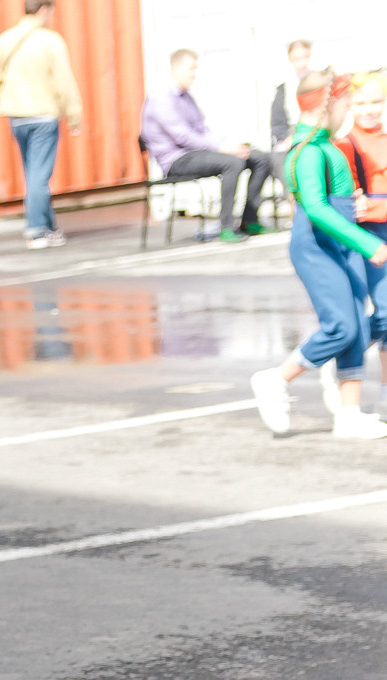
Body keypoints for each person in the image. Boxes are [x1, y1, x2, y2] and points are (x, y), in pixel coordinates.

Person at [250, 72, 387, 441]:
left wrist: (355, 206)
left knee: (358, 328)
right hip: (317, 249)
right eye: (345, 104)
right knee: (342, 327)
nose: (348, 112)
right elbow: (315, 208)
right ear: (330, 105)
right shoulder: (307, 151)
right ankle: (275, 379)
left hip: (341, 245)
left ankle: (349, 415)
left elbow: (336, 200)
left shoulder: (326, 146)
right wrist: (368, 243)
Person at [142, 49, 274, 242]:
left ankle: (250, 221)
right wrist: (222, 149)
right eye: (190, 69)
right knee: (232, 162)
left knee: (260, 158)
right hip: (176, 160)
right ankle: (227, 227)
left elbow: (202, 131)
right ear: (175, 69)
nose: (194, 74)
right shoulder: (161, 99)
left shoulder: (186, 98)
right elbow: (183, 137)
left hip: (197, 153)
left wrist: (229, 144)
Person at [0, 0, 82, 249]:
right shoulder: (50, 41)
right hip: (43, 116)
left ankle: (49, 227)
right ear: (44, 10)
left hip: (16, 117)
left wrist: (10, 99)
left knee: (33, 174)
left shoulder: (5, 40)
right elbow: (64, 82)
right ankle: (37, 230)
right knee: (39, 176)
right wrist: (74, 115)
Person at [338, 75, 387, 408]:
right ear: (350, 106)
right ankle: (339, 351)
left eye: (376, 102)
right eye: (361, 103)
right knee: (385, 311)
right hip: (370, 235)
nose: (369, 109)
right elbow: (353, 202)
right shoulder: (346, 145)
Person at [271, 40, 313, 150]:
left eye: (306, 57)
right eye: (297, 59)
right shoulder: (284, 89)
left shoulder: (321, 84)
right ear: (290, 60)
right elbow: (278, 124)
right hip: (291, 137)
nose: (302, 63)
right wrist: (288, 138)